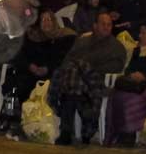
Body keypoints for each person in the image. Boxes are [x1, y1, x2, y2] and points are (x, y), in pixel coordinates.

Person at [48, 12, 127, 145]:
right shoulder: (82, 42)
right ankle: (85, 130)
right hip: (76, 82)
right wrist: (81, 68)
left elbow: (115, 67)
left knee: (73, 78)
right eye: (103, 24)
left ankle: (66, 131)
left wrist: (85, 67)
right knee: (73, 78)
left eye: (109, 24)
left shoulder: (116, 47)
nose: (106, 27)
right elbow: (67, 61)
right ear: (95, 25)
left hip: (95, 81)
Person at [6, 9, 76, 108]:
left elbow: (62, 58)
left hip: (55, 72)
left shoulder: (65, 36)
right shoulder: (33, 36)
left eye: (48, 19)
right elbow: (21, 55)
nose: (46, 22)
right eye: (43, 20)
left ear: (54, 21)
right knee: (24, 81)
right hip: (32, 72)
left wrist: (47, 68)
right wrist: (30, 66)